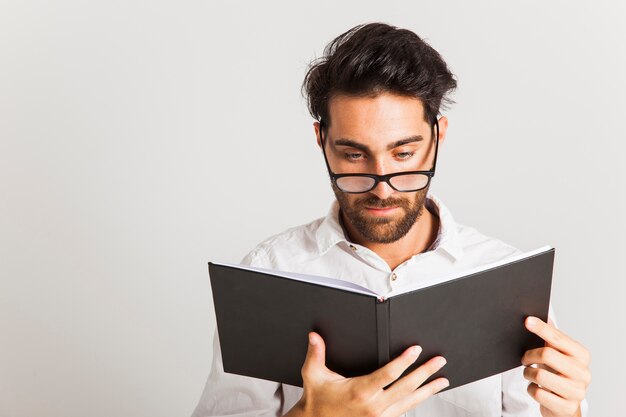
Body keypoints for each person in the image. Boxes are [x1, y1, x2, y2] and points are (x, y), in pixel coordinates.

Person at [192, 22, 591, 417]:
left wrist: (568, 413)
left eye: (403, 155)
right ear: (321, 141)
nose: (382, 188)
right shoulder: (267, 274)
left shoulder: (507, 282)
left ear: (438, 138)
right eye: (353, 156)